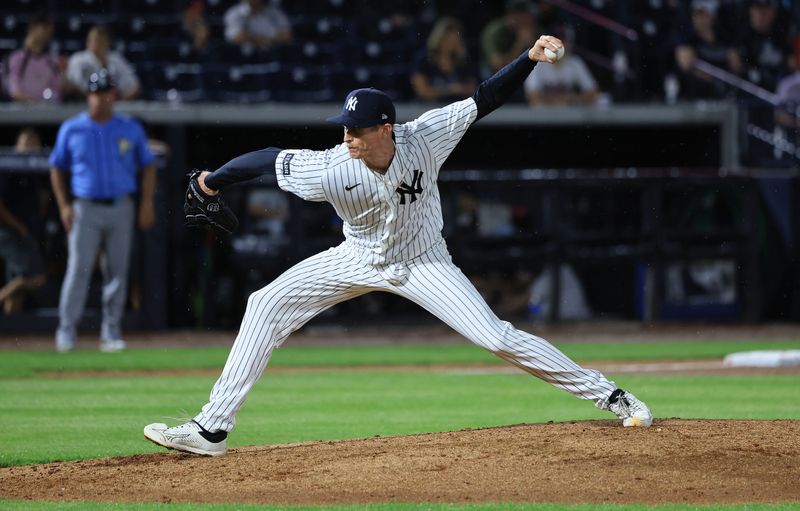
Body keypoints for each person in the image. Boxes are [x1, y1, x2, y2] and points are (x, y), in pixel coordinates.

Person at [143, 35, 653, 457]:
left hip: (424, 260)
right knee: (265, 303)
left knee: (495, 337)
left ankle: (610, 394)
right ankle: (211, 429)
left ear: (386, 128)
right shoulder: (332, 165)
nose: (348, 137)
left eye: (358, 130)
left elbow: (483, 99)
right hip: (355, 256)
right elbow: (266, 159)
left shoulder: (426, 136)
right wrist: (212, 182)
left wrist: (527, 60)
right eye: (344, 128)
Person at [49, 70, 156, 353]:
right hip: (85, 206)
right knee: (78, 269)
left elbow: (148, 164)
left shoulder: (129, 127)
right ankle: (66, 331)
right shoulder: (72, 128)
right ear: (88, 95)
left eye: (106, 92)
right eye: (96, 92)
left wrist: (146, 202)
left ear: (114, 95)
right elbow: (56, 167)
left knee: (117, 271)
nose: (102, 98)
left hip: (121, 205)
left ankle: (111, 332)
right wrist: (63, 205)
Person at [0, 128, 47, 313]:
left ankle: (12, 338)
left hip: (26, 232)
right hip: (10, 232)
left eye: (34, 143)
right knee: (35, 277)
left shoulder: (36, 171)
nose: (31, 147)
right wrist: (19, 227)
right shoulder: (7, 168)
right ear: (16, 146)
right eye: (26, 143)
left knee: (19, 287)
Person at [673, 0, 741, 100]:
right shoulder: (688, 42)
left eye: (704, 14)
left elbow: (736, 70)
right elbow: (685, 67)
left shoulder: (726, 41)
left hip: (723, 99)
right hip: (694, 101)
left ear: (713, 16)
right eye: (696, 14)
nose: (700, 19)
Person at [523, 26, 599, 106]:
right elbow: (532, 95)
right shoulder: (539, 63)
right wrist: (556, 102)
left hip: (568, 115)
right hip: (542, 115)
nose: (558, 46)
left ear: (570, 43)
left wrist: (570, 99)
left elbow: (593, 93)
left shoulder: (575, 63)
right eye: (554, 42)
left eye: (563, 41)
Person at [410, 17, 477, 103]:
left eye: (456, 40)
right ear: (439, 39)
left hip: (457, 109)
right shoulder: (423, 59)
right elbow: (422, 91)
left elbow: (473, 89)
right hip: (428, 108)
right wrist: (451, 90)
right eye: (448, 40)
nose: (452, 44)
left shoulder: (463, 60)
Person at [66, 25, 141, 100]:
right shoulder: (78, 59)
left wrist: (118, 101)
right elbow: (73, 87)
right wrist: (97, 101)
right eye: (96, 40)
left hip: (116, 104)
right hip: (84, 105)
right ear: (88, 42)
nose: (99, 44)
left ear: (108, 43)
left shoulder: (116, 59)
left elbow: (135, 86)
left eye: (102, 40)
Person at [3, 13, 62, 103]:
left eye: (50, 29)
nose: (49, 32)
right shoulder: (17, 59)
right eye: (44, 27)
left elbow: (57, 91)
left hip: (47, 113)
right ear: (31, 29)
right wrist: (35, 104)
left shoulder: (52, 61)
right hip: (20, 113)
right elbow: (14, 91)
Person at [481, 0, 539, 74]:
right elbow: (498, 66)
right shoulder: (495, 32)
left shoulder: (534, 29)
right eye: (527, 15)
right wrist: (520, 43)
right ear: (515, 16)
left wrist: (533, 44)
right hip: (494, 76)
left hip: (524, 74)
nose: (531, 19)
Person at [223, 0, 292, 49]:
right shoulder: (234, 13)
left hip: (272, 54)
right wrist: (265, 40)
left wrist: (255, 39)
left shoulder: (274, 12)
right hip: (243, 56)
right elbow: (237, 37)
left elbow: (286, 36)